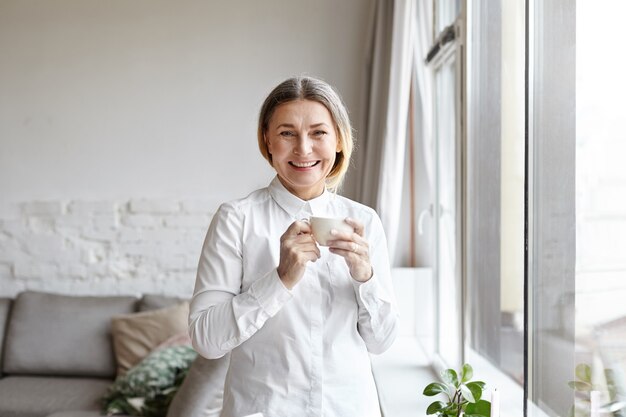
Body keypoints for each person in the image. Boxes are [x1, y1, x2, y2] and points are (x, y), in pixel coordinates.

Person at [189, 76, 398, 417]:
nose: (303, 149)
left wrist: (366, 277)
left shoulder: (364, 222)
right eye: (287, 133)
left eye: (318, 133)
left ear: (339, 141)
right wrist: (280, 280)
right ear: (267, 141)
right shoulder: (236, 220)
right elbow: (206, 340)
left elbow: (382, 341)